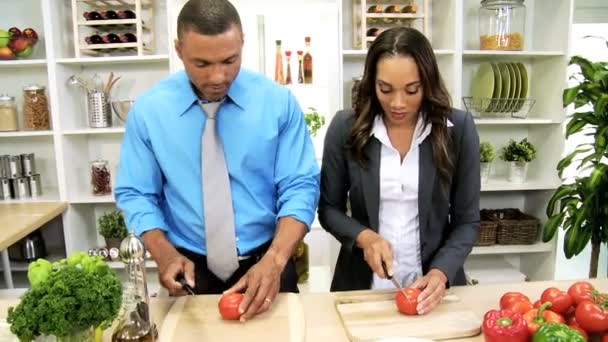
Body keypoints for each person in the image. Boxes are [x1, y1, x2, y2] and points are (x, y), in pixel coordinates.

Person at [114, 0, 319, 321]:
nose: (217, 76)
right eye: (201, 63)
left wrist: (276, 260)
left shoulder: (278, 103)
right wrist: (164, 254)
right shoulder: (149, 112)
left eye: (229, 60)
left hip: (268, 262)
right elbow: (136, 194)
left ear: (242, 44)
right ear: (179, 50)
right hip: (189, 271)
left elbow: (300, 186)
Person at [318, 27, 480, 315]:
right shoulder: (346, 128)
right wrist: (365, 238)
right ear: (371, 83)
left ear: (428, 83)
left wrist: (441, 273)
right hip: (361, 288)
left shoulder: (458, 129)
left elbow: (467, 221)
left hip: (434, 291)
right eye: (385, 89)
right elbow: (329, 209)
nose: (398, 103)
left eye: (412, 90)